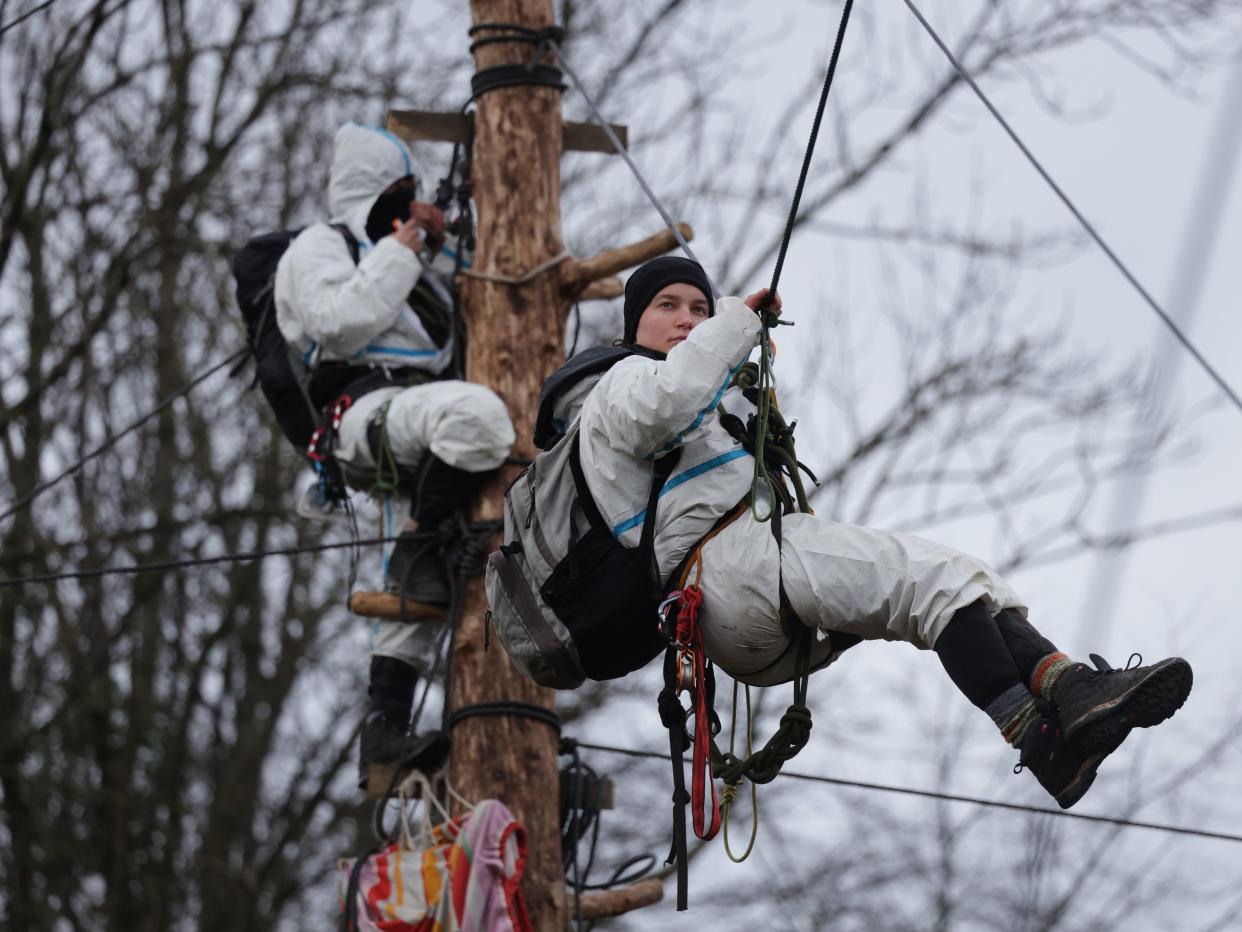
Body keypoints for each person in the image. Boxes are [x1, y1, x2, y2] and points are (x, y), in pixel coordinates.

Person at [561, 255, 1191, 809]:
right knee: (935, 581)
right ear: (632, 323)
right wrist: (732, 326)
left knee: (967, 587)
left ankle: (1060, 713)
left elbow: (695, 428)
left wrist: (744, 387)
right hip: (727, 572)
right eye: (667, 305)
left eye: (699, 307)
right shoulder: (618, 383)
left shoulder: (688, 401)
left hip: (746, 607)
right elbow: (667, 402)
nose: (688, 318)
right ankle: (1054, 716)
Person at [275, 123, 515, 783]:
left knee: (415, 601)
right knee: (479, 417)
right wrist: (402, 249)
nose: (405, 209)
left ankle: (384, 733)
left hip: (415, 427)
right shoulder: (321, 246)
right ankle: (419, 540)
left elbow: (477, 293)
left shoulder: (404, 254)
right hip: (365, 412)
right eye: (398, 196)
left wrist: (446, 241)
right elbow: (338, 322)